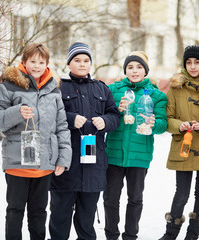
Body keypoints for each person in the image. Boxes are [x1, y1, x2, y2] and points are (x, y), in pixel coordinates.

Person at [0, 42, 72, 240]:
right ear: (24, 62)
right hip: (18, 163)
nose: (36, 66)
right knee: (15, 210)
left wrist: (63, 159)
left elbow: (61, 127)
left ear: (47, 64)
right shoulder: (8, 86)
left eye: (41, 62)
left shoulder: (54, 90)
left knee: (39, 212)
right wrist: (17, 112)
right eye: (32, 61)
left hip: (44, 164)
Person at [48, 42, 120, 240]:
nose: (82, 64)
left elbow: (115, 116)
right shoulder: (58, 87)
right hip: (66, 163)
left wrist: (105, 121)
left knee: (86, 219)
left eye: (86, 60)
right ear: (69, 64)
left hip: (93, 164)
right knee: (60, 215)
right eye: (77, 60)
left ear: (91, 64)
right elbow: (49, 115)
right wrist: (70, 118)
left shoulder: (102, 89)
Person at [159, 45, 199, 240]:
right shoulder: (175, 88)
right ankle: (170, 234)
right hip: (184, 147)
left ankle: (193, 235)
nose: (193, 66)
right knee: (182, 192)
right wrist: (180, 125)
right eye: (189, 62)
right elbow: (167, 118)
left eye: (197, 62)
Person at [103, 51, 168, 240]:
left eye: (139, 67)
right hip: (114, 153)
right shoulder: (113, 90)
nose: (134, 70)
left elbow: (163, 125)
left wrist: (153, 123)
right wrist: (117, 110)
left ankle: (130, 236)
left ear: (146, 70)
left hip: (139, 156)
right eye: (130, 67)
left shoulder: (156, 95)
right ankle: (111, 235)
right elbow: (104, 116)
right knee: (110, 199)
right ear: (125, 70)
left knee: (135, 199)